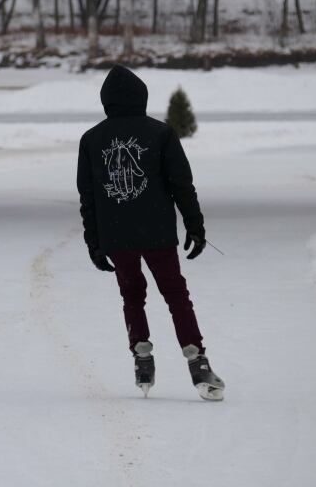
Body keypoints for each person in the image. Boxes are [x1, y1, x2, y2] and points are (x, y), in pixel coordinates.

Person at [76, 65, 225, 400]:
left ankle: (142, 357)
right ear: (141, 96)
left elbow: (88, 198)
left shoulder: (91, 139)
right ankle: (197, 361)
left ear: (106, 101)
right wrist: (195, 224)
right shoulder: (160, 133)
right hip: (156, 230)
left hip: (117, 235)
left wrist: (95, 243)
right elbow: (181, 184)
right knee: (175, 294)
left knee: (132, 295)